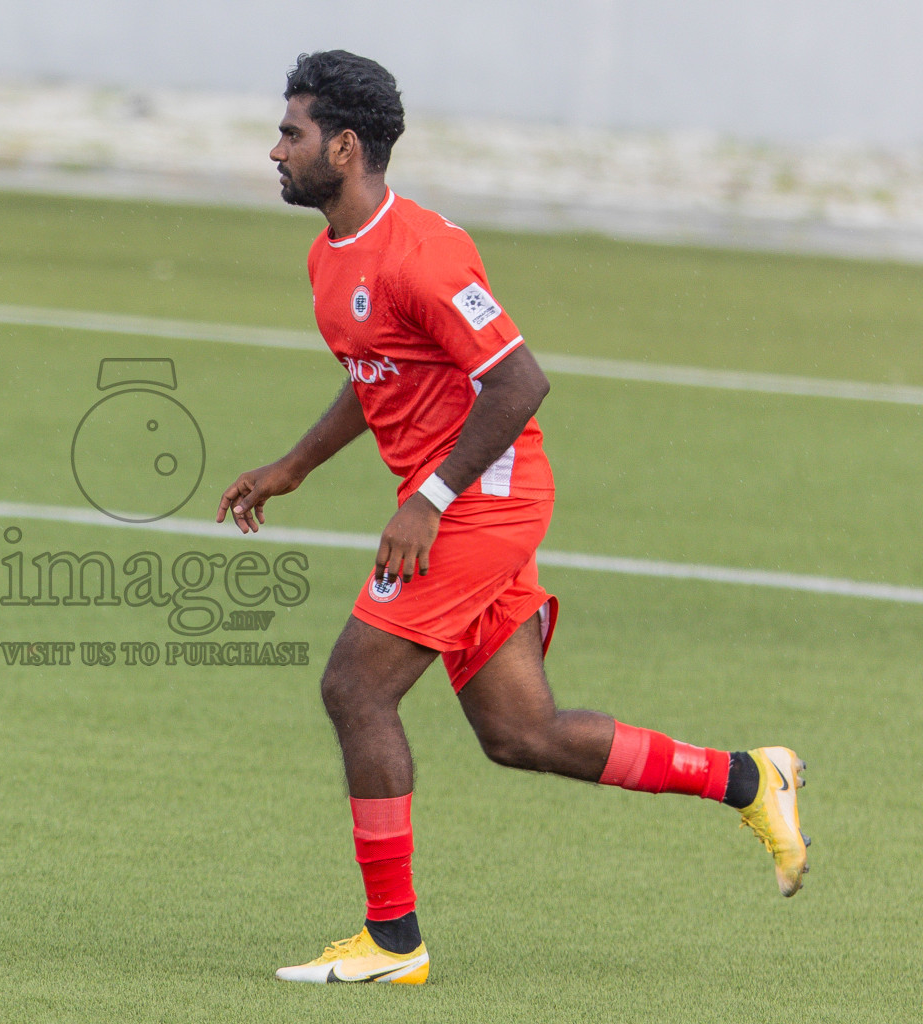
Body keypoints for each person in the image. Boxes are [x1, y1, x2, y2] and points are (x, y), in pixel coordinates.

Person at [215, 50, 809, 986]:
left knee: (356, 689)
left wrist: (429, 499)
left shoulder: (423, 253)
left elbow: (519, 382)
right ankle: (748, 777)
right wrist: (293, 467)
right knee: (521, 732)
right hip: (463, 502)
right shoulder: (329, 257)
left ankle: (392, 942)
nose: (274, 150)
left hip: (482, 504)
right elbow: (376, 376)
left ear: (345, 146)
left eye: (290, 133)